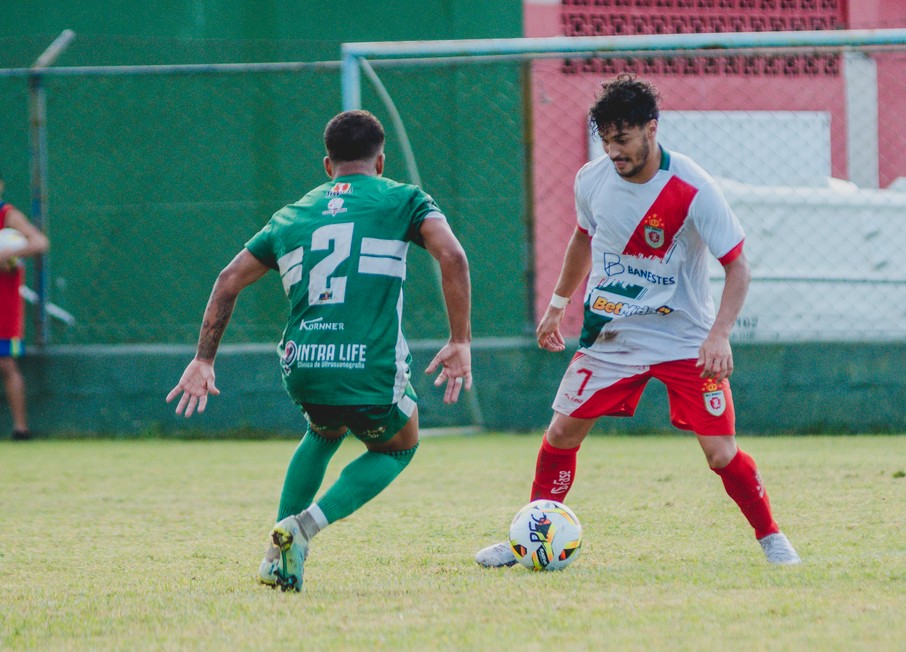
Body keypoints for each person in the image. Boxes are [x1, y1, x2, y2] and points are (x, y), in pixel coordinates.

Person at [475, 74, 800, 567]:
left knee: (721, 453)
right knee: (561, 433)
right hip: (613, 334)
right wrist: (559, 303)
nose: (613, 151)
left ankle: (772, 537)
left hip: (685, 339)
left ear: (652, 128)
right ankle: (534, 536)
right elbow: (583, 239)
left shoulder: (693, 187)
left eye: (622, 139)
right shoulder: (591, 179)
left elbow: (738, 265)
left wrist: (720, 335)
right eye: (605, 140)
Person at [167, 110, 473, 592]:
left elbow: (227, 281)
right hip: (366, 366)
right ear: (380, 161)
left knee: (324, 429)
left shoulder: (290, 214)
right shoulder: (405, 199)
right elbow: (452, 256)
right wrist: (460, 341)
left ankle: (275, 553)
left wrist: (203, 359)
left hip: (303, 365)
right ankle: (303, 528)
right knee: (400, 446)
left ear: (327, 165)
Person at [0, 172, 50, 441]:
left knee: (6, 362)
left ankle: (21, 428)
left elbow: (39, 242)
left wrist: (8, 253)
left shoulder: (8, 214)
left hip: (3, 302)